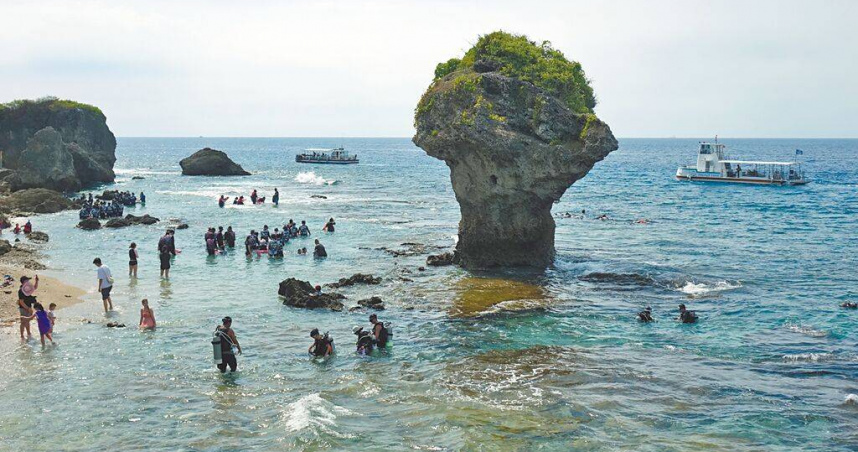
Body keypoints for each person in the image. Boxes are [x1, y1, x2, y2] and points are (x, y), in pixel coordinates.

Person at [18, 275, 39, 340]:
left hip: (29, 306)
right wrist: (28, 308)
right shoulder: (21, 291)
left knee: (27, 321)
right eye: (27, 280)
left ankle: (28, 333)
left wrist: (36, 281)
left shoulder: (27, 288)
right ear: (24, 282)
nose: (28, 281)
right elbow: (21, 302)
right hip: (23, 308)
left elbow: (34, 287)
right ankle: (22, 336)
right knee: (23, 322)